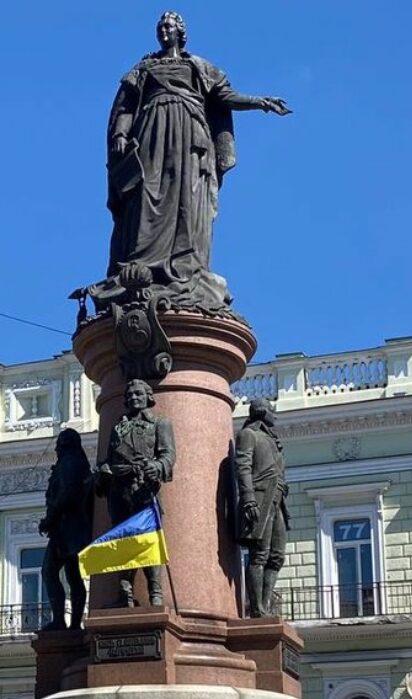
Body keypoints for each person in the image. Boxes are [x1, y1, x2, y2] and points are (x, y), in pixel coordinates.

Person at [92, 10, 291, 315]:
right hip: (152, 134)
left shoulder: (197, 67)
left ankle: (185, 267)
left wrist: (260, 103)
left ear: (180, 32)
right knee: (146, 194)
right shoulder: (144, 67)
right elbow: (126, 106)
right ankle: (141, 266)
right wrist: (120, 133)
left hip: (189, 138)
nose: (163, 30)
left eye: (169, 25)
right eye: (160, 25)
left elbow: (225, 97)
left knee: (188, 198)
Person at [95, 379, 176, 607]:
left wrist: (158, 467)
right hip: (119, 489)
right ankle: (125, 594)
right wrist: (104, 469)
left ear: (148, 396)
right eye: (129, 394)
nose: (133, 397)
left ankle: (155, 594)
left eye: (138, 393)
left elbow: (169, 455)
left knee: (148, 541)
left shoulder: (159, 424)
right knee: (124, 541)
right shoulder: (118, 427)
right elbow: (109, 458)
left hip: (144, 487)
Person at [236, 397, 289, 617]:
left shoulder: (271, 439)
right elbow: (243, 465)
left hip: (277, 500)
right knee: (259, 554)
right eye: (271, 410)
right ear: (261, 411)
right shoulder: (249, 434)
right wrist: (248, 497)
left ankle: (265, 605)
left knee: (277, 556)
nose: (274, 414)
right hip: (260, 498)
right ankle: (257, 608)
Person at [38, 428, 93, 631]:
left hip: (68, 527)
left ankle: (62, 621)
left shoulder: (69, 463)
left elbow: (67, 494)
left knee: (50, 571)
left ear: (66, 444)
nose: (56, 447)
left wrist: (50, 518)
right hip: (72, 527)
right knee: (72, 575)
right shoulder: (76, 462)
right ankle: (72, 624)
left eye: (59, 443)